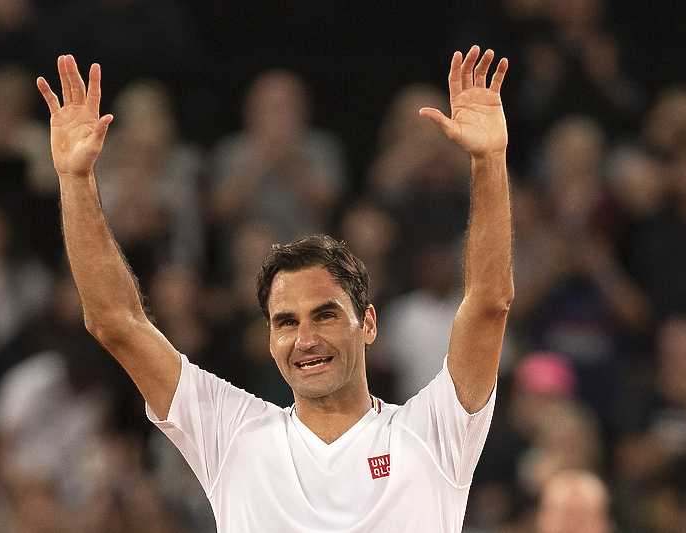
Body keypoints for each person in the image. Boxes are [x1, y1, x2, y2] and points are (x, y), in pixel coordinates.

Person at [36, 45, 512, 531]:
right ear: (269, 339)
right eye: (286, 322)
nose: (305, 339)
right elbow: (116, 322)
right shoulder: (232, 434)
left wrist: (489, 160)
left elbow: (488, 304)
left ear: (367, 322)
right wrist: (75, 178)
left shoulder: (433, 434)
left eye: (325, 314)